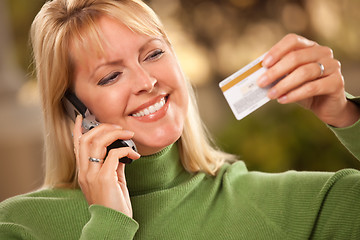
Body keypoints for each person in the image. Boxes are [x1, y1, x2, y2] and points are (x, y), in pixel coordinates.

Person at [1, 0, 360, 239]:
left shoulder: (285, 206)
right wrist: (108, 226)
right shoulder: (19, 226)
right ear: (73, 108)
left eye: (153, 53)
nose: (147, 82)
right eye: (111, 76)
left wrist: (347, 116)